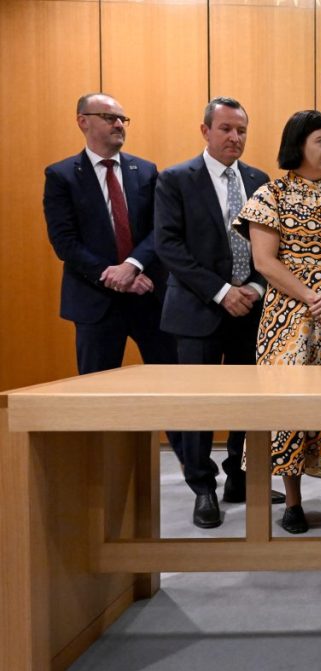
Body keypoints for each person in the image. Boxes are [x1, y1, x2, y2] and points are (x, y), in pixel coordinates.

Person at [237, 110, 321, 534]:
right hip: (288, 316)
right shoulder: (270, 195)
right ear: (298, 145)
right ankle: (293, 502)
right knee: (289, 405)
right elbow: (263, 261)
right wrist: (313, 297)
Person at [155, 97, 286, 530]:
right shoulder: (175, 179)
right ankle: (202, 486)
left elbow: (272, 247)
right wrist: (220, 291)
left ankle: (239, 476)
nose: (235, 137)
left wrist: (252, 287)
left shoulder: (259, 179)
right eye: (226, 128)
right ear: (205, 130)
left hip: (251, 309)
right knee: (200, 406)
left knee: (248, 402)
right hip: (198, 311)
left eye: (242, 130)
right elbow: (169, 246)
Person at [43, 93, 184, 456]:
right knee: (95, 398)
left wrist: (133, 266)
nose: (119, 124)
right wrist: (113, 275)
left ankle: (201, 485)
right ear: (82, 121)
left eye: (123, 118)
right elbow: (65, 242)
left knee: (176, 394)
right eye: (108, 117)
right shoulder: (61, 176)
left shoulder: (146, 170)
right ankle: (97, 482)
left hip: (148, 298)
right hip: (95, 303)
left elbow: (160, 229)